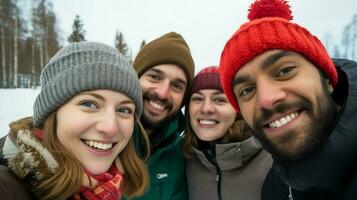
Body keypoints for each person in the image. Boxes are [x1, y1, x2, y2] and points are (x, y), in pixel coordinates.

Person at [219, 0, 357, 199]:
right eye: (247, 90)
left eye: (285, 71)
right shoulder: (274, 187)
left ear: (327, 79)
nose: (266, 99)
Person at [0, 41, 149, 200]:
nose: (110, 127)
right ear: (53, 113)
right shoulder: (8, 188)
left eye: (124, 110)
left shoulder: (111, 185)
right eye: (89, 104)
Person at [182, 66, 272, 200]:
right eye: (197, 99)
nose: (206, 108)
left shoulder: (271, 159)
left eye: (219, 100)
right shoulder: (185, 158)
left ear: (238, 109)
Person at [128, 32, 195, 200]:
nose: (163, 93)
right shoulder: (101, 136)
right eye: (154, 77)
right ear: (134, 78)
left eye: (177, 85)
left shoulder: (182, 152)